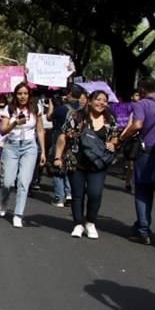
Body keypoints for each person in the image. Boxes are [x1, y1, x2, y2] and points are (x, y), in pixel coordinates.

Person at [53, 90, 120, 239]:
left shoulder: (110, 119)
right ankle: (78, 223)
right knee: (77, 194)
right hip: (76, 162)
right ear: (89, 101)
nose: (101, 103)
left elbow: (115, 137)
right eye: (98, 99)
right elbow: (63, 136)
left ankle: (90, 222)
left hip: (98, 163)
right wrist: (58, 157)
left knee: (95, 194)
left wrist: (112, 144)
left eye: (104, 100)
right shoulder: (76, 116)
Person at [118, 76, 155, 245]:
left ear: (142, 90)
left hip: (147, 153)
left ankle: (143, 229)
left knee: (142, 191)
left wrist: (121, 138)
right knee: (152, 189)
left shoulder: (142, 104)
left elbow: (137, 124)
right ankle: (143, 223)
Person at [0, 82, 46, 227]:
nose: (22, 96)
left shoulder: (35, 108)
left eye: (25, 93)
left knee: (24, 182)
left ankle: (18, 214)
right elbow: (3, 130)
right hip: (11, 146)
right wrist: (15, 123)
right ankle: (4, 201)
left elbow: (40, 130)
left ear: (29, 95)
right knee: (7, 182)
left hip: (29, 147)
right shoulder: (9, 109)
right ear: (15, 95)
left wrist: (43, 151)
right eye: (19, 93)